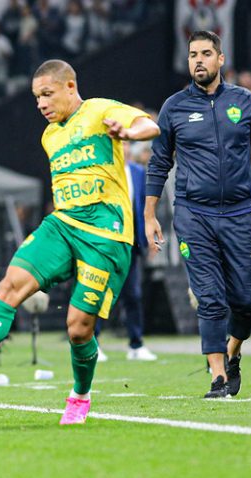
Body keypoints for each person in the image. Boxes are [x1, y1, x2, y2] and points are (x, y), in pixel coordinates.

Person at [0, 59, 160, 425]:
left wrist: (130, 135)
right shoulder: (50, 136)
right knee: (8, 286)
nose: (41, 103)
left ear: (70, 87)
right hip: (63, 223)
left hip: (106, 235)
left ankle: (80, 395)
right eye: (36, 97)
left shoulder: (99, 110)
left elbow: (149, 125)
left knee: (78, 328)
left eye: (47, 93)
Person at [145, 31, 251, 398]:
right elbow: (158, 163)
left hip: (240, 213)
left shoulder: (244, 102)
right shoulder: (174, 107)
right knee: (210, 297)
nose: (198, 60)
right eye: (193, 54)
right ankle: (217, 377)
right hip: (193, 214)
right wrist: (150, 215)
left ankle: (232, 353)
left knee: (246, 301)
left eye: (206, 53)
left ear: (220, 59)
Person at [94, 142, 158, 362]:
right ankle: (94, 343)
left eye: (127, 143)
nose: (125, 148)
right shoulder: (103, 171)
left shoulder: (138, 172)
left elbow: (144, 207)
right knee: (101, 293)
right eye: (120, 144)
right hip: (107, 244)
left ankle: (136, 344)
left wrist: (148, 238)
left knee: (133, 295)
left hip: (131, 244)